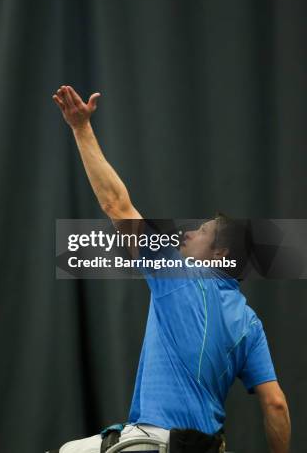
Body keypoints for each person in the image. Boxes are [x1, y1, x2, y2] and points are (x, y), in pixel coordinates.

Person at [51, 85, 291, 453]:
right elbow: (275, 404)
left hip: (154, 444)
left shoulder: (178, 272)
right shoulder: (250, 325)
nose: (188, 232)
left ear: (219, 253)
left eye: (202, 231)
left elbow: (117, 205)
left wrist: (80, 127)